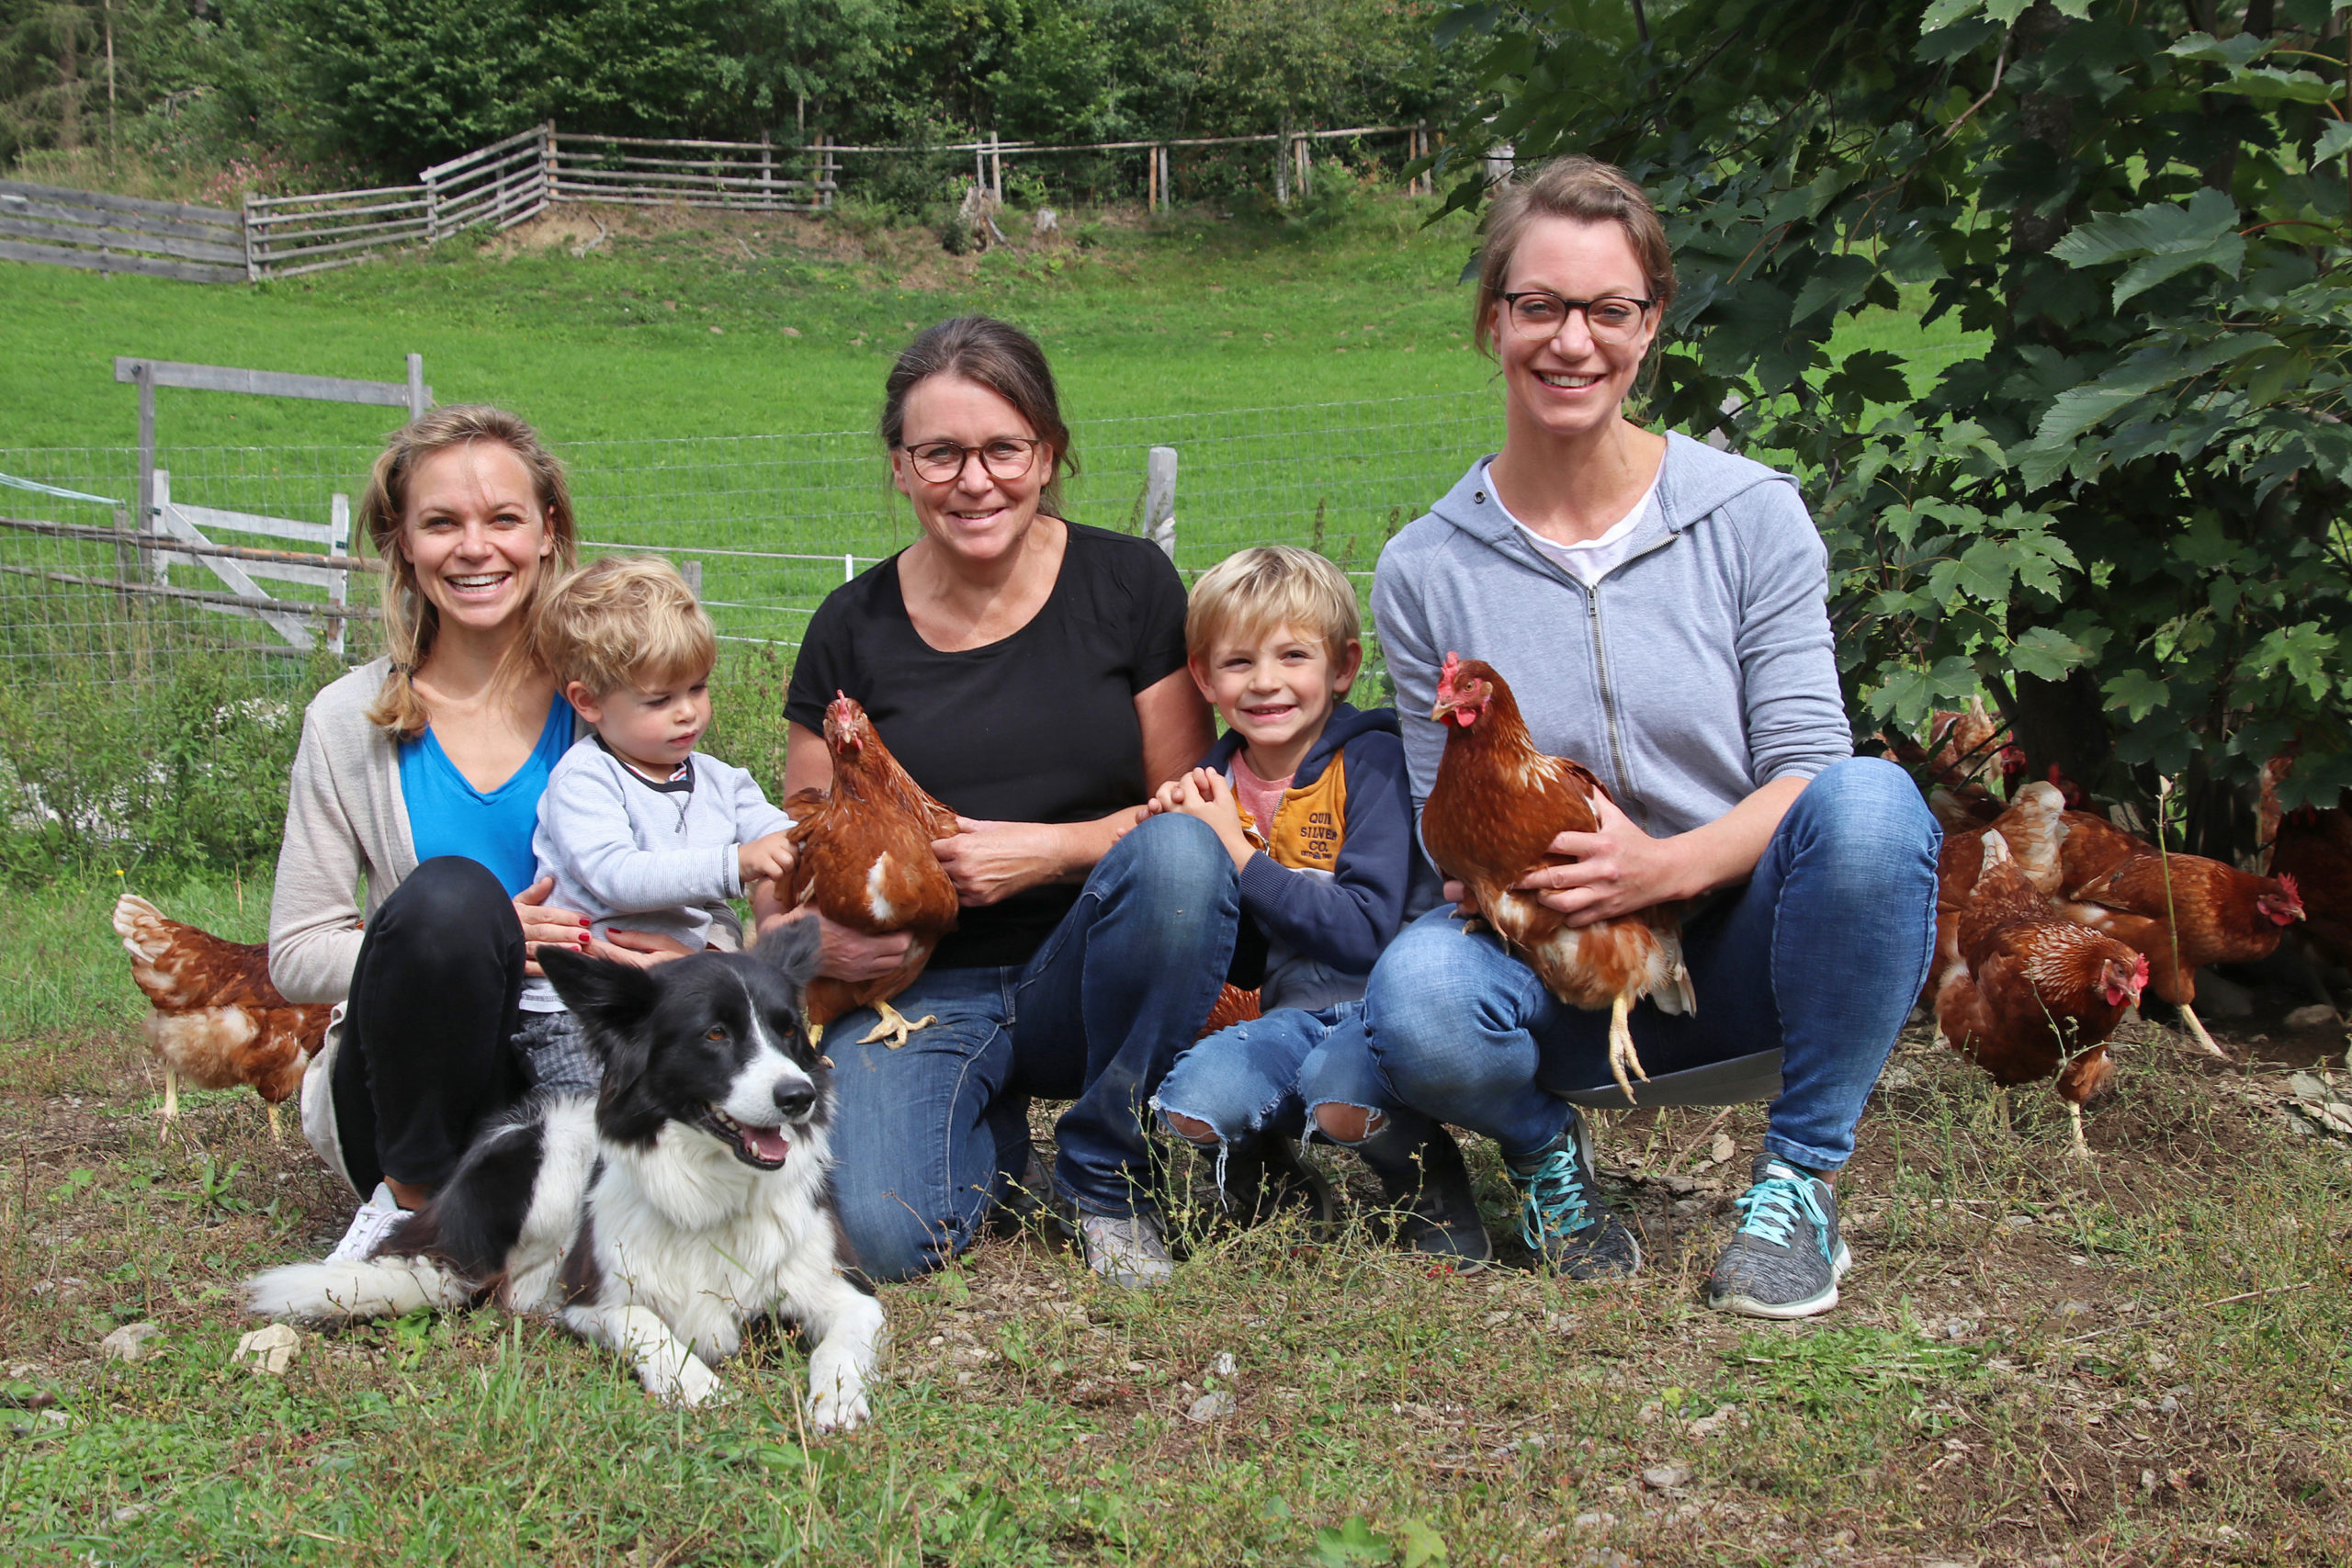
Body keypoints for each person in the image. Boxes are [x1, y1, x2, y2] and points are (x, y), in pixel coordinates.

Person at [1311, 156, 1939, 1318]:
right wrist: (1495, 887)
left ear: (1650, 325)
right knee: (1416, 999)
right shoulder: (1424, 566)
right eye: (1540, 306)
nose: (1572, 342)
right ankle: (1543, 1151)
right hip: (1543, 968)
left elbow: (1805, 764)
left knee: (1871, 805)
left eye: (1609, 310)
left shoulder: (1750, 516)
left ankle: (1797, 1184)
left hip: (1735, 953)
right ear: (1493, 319)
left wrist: (1666, 868)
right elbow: (1440, 813)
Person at [775, 315, 1227, 1288]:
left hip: (1089, 966)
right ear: (899, 467)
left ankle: (1107, 1165)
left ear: (1049, 453)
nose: (972, 482)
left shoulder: (1129, 584)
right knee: (891, 1238)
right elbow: (798, 849)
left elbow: (1192, 807)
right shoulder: (849, 628)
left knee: (1180, 866)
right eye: (939, 454)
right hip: (918, 990)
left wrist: (1052, 851)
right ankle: (989, 1131)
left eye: (1001, 450)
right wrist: (818, 943)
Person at [268, 407, 670, 1265]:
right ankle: (408, 1209)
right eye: (441, 522)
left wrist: (683, 954)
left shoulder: (620, 706)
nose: (474, 547)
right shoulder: (346, 722)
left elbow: (699, 871)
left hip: (586, 1051)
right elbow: (296, 951)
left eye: (503, 519)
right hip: (423, 1092)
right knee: (454, 899)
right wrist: (484, 939)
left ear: (549, 530)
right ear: (400, 541)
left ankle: (575, 1208)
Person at [1146, 546, 1415, 1231]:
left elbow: (1364, 930)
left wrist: (1237, 854)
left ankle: (1424, 1176)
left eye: (1293, 656)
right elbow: (1235, 960)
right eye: (1239, 662)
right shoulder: (1214, 786)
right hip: (1289, 1015)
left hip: (1386, 1011)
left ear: (1344, 666)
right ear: (1205, 677)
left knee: (1344, 1095)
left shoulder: (1373, 761)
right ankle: (1270, 1166)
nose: (1266, 682)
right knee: (1191, 1104)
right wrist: (1187, 864)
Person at [518, 555, 800, 1085]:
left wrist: (807, 845)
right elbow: (618, 876)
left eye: (697, 688)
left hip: (679, 1003)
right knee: (591, 1126)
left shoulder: (721, 780)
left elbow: (778, 835)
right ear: (589, 702)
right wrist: (737, 863)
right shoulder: (585, 778)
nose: (688, 712)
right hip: (581, 1008)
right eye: (659, 699)